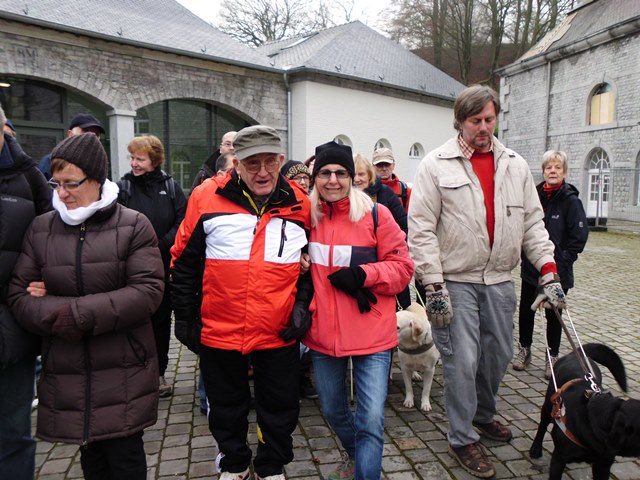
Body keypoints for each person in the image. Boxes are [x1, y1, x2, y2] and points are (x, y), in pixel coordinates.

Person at [408, 85, 566, 478]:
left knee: (496, 357)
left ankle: (482, 413)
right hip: (454, 281)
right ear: (459, 121)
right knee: (461, 361)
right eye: (475, 120)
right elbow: (421, 228)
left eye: (489, 119)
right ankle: (461, 437)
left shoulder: (514, 164)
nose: (483, 127)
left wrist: (548, 268)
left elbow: (531, 222)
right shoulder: (435, 165)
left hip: (499, 280)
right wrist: (433, 284)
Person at [8, 132, 165, 480]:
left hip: (124, 365)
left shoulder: (132, 225)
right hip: (68, 369)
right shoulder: (41, 228)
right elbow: (20, 296)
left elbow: (147, 292)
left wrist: (68, 311)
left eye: (71, 183)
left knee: (125, 459)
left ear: (96, 178)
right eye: (56, 183)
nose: (61, 193)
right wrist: (71, 310)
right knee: (92, 458)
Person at [171, 125, 312, 480]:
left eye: (270, 162)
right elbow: (183, 262)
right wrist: (185, 317)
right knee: (225, 406)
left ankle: (270, 465)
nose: (262, 172)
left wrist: (301, 307)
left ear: (281, 160)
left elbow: (309, 267)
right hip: (221, 327)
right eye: (252, 164)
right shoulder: (206, 197)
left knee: (280, 405)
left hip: (277, 328)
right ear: (236, 163)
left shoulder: (300, 202)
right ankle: (233, 463)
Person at [303, 141, 414, 480]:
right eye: (325, 173)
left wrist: (365, 275)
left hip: (372, 336)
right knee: (334, 410)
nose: (333, 180)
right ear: (315, 178)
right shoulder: (305, 218)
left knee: (371, 421)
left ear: (352, 177)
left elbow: (403, 268)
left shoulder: (376, 215)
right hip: (324, 336)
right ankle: (355, 454)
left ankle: (366, 471)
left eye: (340, 173)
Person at [0, 104, 51, 480]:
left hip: (11, 325)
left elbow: (54, 237)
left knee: (13, 432)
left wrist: (46, 278)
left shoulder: (28, 176)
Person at [117, 135, 187, 398]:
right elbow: (116, 224)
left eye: (140, 159)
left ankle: (158, 374)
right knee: (133, 322)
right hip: (132, 269)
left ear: (154, 160)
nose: (134, 163)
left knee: (159, 324)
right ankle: (133, 374)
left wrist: (160, 244)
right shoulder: (122, 187)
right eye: (132, 158)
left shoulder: (170, 187)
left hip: (163, 267)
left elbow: (183, 221)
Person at [513, 150, 588, 378]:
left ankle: (552, 356)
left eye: (557, 167)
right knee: (526, 310)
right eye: (548, 167)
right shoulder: (534, 196)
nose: (552, 171)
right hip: (531, 268)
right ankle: (524, 350)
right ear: (543, 171)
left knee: (554, 314)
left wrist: (562, 260)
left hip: (557, 271)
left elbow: (578, 237)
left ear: (564, 172)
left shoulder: (571, 201)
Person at [354, 153, 411, 309]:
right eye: (353, 174)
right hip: (360, 267)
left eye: (361, 174)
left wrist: (392, 250)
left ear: (369, 175)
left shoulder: (385, 193)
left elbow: (403, 225)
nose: (357, 179)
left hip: (387, 264)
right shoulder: (345, 198)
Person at [37, 113, 105, 180]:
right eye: (85, 132)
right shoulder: (51, 162)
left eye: (96, 135)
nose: (91, 137)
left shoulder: (98, 164)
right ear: (70, 134)